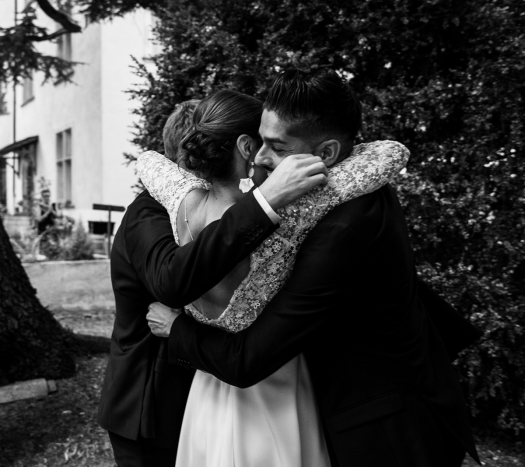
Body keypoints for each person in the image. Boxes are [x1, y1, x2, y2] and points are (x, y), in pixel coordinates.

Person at [147, 68, 480, 466]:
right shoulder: (342, 185)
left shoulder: (344, 226)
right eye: (259, 141)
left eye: (278, 147)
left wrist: (177, 329)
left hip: (388, 435)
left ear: (327, 154)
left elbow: (247, 359)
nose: (260, 157)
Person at [97, 100, 332, 466]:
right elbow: (171, 279)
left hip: (211, 384)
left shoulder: (242, 208)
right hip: (152, 402)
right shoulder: (151, 211)